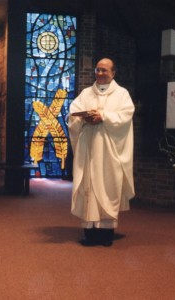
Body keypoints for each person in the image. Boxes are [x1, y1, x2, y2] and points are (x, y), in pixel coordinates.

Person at [68, 58, 135, 246]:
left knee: (108, 186)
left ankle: (106, 234)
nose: (100, 73)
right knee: (88, 186)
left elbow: (126, 116)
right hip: (89, 150)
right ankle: (89, 234)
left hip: (109, 152)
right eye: (97, 70)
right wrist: (84, 119)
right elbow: (72, 113)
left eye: (104, 70)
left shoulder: (122, 94)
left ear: (113, 73)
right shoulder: (86, 93)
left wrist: (103, 116)